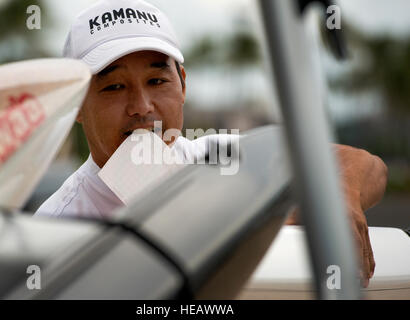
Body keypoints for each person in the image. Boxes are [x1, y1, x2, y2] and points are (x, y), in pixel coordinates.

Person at [35, 0, 388, 287]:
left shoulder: (219, 160)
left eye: (157, 80)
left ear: (183, 86)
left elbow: (366, 164)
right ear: (77, 105)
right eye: (114, 86)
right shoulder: (56, 228)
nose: (142, 107)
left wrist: (338, 197)